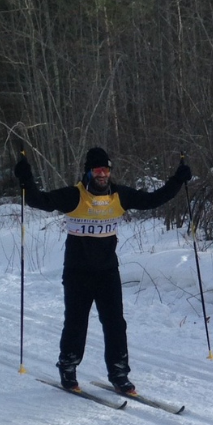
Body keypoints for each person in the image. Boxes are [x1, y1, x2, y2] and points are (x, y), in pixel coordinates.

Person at [14, 147, 191, 393]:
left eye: (106, 170)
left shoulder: (119, 195)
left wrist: (177, 180)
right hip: (78, 272)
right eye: (98, 169)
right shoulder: (74, 196)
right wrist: (25, 177)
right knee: (76, 324)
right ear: (88, 172)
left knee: (115, 324)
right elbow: (37, 200)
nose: (102, 174)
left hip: (108, 272)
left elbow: (152, 200)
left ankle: (119, 373)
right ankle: (68, 367)